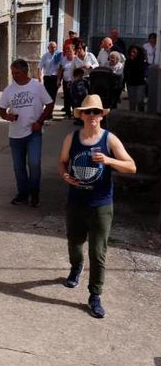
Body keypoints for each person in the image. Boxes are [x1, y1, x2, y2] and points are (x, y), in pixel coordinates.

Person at [58, 95, 136, 318]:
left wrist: (109, 161)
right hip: (76, 201)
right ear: (81, 115)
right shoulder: (71, 138)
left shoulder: (109, 139)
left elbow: (131, 167)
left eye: (96, 112)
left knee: (97, 251)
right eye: (88, 111)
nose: (92, 115)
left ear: (102, 115)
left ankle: (95, 295)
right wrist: (65, 175)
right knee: (74, 241)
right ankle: (76, 267)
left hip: (101, 203)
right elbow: (62, 162)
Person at [0, 59, 54, 207]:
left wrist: (40, 121)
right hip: (15, 134)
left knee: (34, 164)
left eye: (17, 73)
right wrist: (7, 116)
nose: (14, 76)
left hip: (33, 132)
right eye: (12, 73)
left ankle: (34, 194)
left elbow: (49, 104)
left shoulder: (36, 86)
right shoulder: (9, 90)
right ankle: (22, 194)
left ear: (25, 72)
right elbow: (1, 110)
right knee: (19, 166)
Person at [124, 45, 147, 112]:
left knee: (140, 100)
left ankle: (141, 115)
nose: (132, 53)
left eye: (134, 52)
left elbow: (141, 71)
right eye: (131, 52)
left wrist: (133, 61)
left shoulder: (142, 61)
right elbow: (125, 72)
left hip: (140, 83)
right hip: (130, 83)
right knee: (132, 102)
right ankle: (132, 117)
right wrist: (123, 83)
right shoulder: (128, 61)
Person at [59, 43, 78, 118]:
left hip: (74, 82)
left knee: (73, 97)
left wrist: (73, 80)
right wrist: (58, 80)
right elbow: (61, 70)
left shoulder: (76, 59)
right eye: (67, 51)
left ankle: (75, 113)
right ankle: (67, 113)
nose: (68, 53)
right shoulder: (64, 59)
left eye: (70, 51)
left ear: (74, 51)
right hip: (66, 81)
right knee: (66, 97)